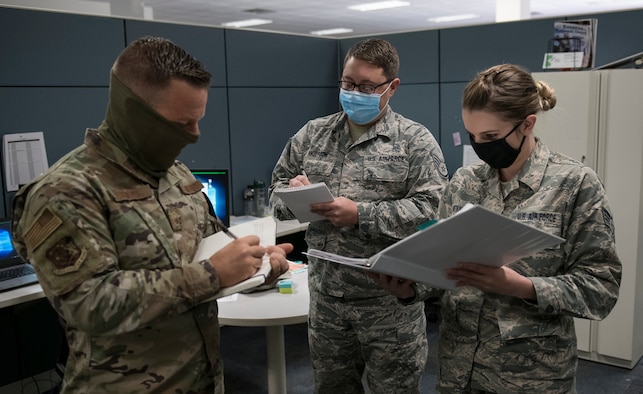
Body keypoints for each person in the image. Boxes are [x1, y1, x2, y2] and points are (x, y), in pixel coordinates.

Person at [10, 36, 292, 393]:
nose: (195, 135)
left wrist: (258, 268)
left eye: (198, 121)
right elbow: (89, 304)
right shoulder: (66, 189)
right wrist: (211, 274)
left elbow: (214, 258)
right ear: (133, 111)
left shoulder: (177, 176)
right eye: (181, 124)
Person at [375, 63, 622, 393]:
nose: (480, 145)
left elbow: (601, 289)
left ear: (527, 124)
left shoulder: (575, 185)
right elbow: (444, 270)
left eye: (490, 137)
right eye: (472, 136)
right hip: (458, 372)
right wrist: (409, 287)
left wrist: (521, 286)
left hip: (530, 377)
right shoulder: (464, 183)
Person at [269, 38, 449, 393]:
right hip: (327, 304)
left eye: (367, 87)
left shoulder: (415, 141)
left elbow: (434, 211)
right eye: (348, 84)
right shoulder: (312, 135)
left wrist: (360, 214)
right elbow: (276, 193)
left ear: (391, 87)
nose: (354, 93)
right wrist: (295, 195)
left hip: (389, 305)